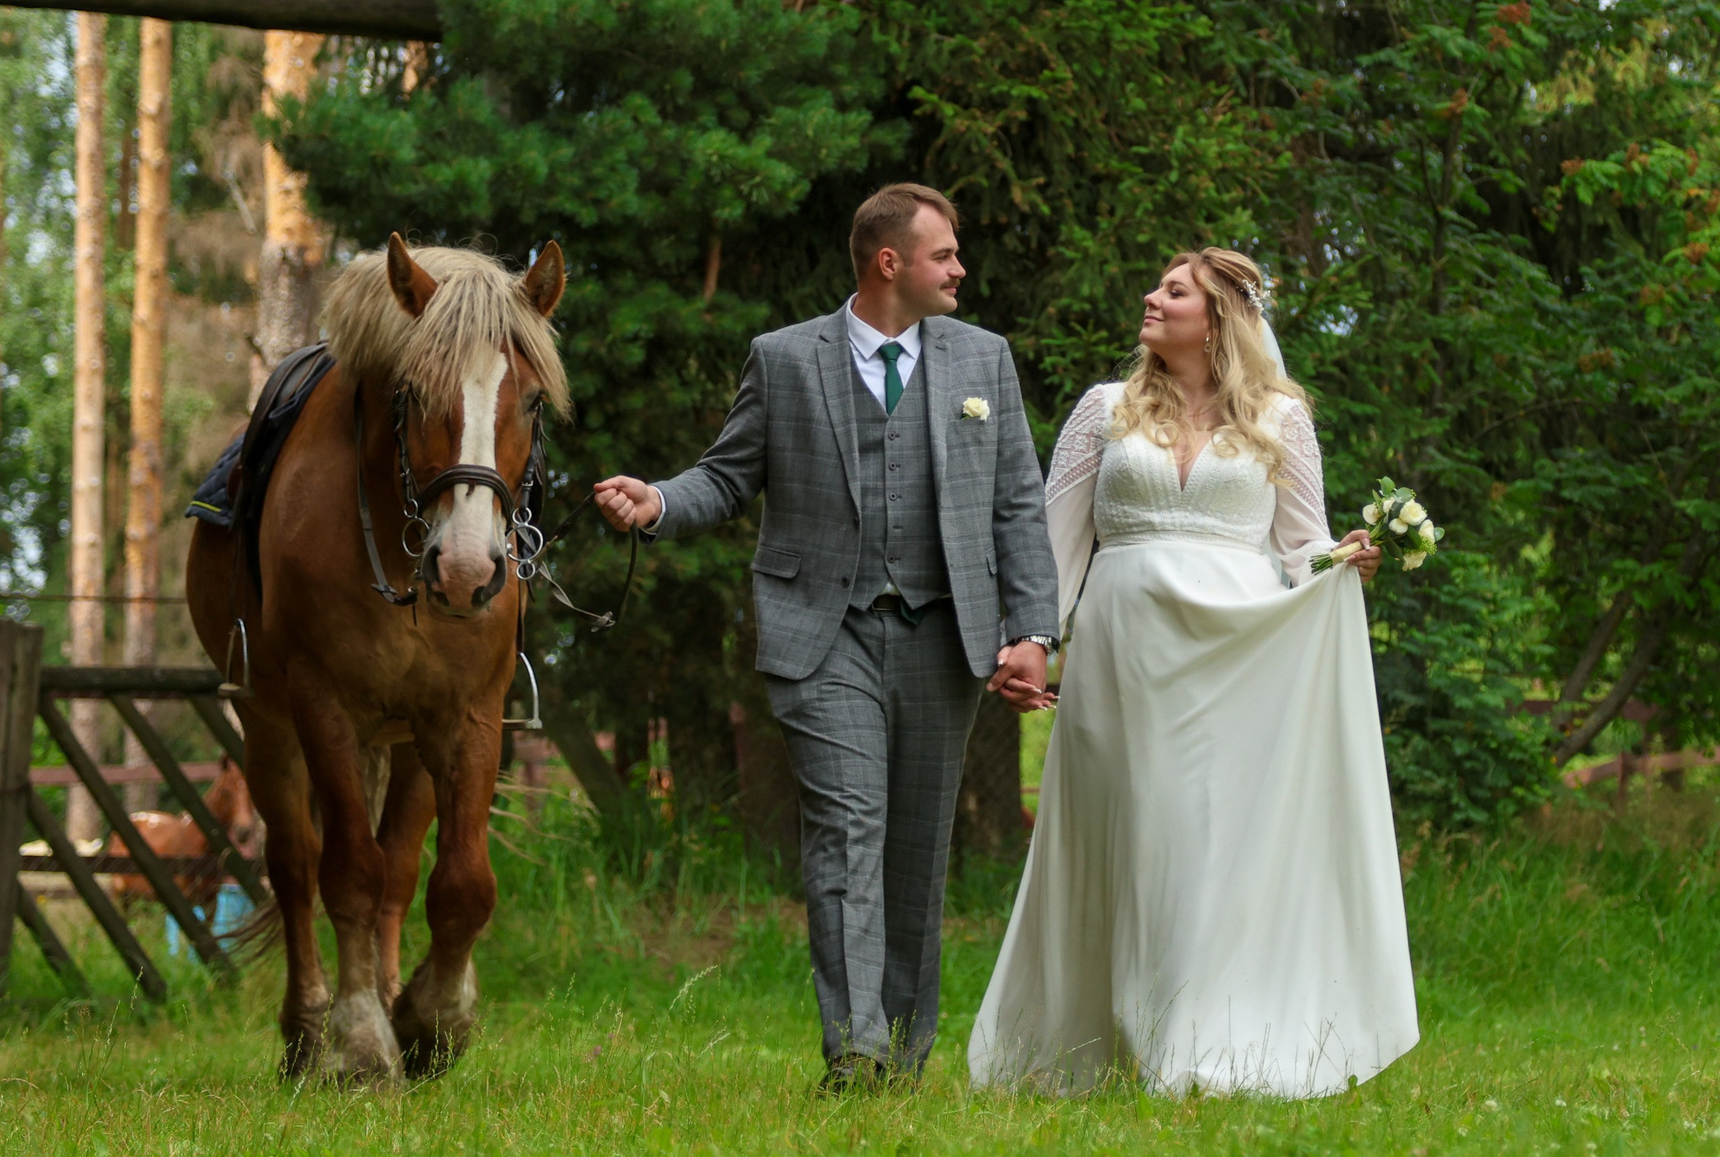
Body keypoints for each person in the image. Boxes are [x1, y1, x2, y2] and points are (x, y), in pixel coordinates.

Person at [594, 184, 1059, 1092]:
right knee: (848, 830)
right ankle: (856, 1050)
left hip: (944, 639)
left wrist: (1032, 630)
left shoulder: (983, 360)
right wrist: (656, 501)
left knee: (918, 853)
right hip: (824, 634)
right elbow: (726, 479)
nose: (961, 268)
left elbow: (1015, 505)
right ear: (891, 263)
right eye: (945, 254)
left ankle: (904, 1053)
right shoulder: (784, 360)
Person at [968, 248, 1419, 1098]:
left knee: (1202, 838)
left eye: (1174, 291)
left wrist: (1339, 560)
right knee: (1127, 832)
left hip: (1233, 657)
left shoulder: (1281, 420)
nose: (1151, 296)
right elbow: (1053, 543)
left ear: (1219, 318)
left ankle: (1191, 1043)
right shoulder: (1103, 411)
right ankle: (1098, 1039)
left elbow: (1299, 545)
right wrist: (1032, 638)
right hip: (1121, 651)